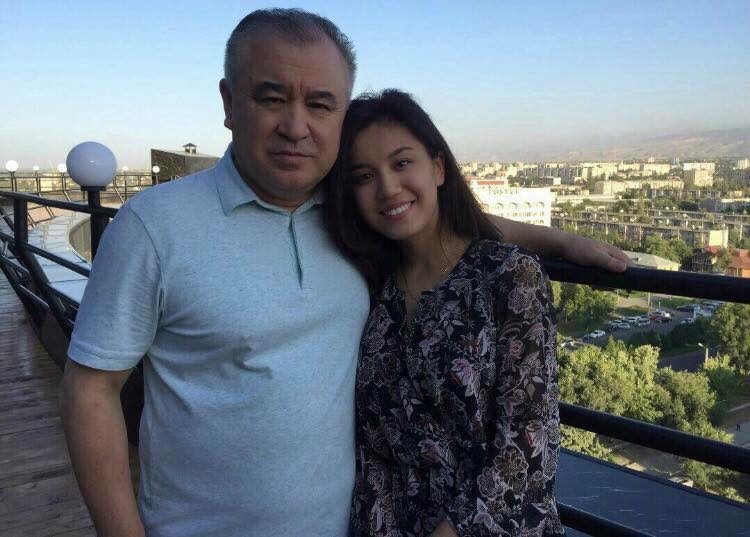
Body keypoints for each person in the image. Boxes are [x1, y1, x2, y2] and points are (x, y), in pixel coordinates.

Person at [59, 9, 625, 537]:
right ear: (229, 103)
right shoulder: (154, 227)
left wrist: (564, 242)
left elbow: (434, 220)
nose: (295, 126)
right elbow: (90, 390)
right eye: (271, 98)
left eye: (321, 104)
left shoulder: (349, 218)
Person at [325, 89, 564, 536]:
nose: (387, 188)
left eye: (401, 163)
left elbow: (528, 444)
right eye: (364, 176)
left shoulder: (508, 278)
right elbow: (374, 449)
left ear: (437, 168)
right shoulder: (370, 287)